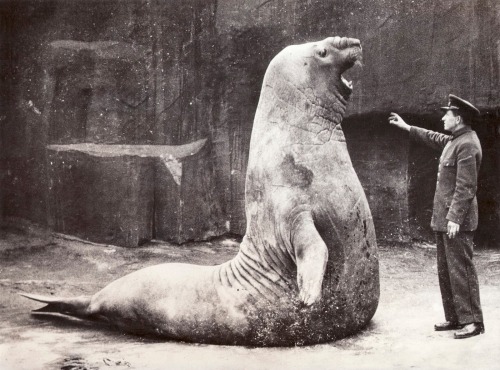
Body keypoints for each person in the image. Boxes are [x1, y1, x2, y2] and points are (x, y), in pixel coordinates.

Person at [388, 94, 485, 339]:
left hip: (456, 221)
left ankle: (473, 321)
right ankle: (455, 317)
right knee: (447, 270)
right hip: (445, 220)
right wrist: (407, 127)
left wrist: (455, 218)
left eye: (447, 114)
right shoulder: (455, 140)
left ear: (459, 118)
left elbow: (466, 186)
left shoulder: (468, 144)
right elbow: (434, 137)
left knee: (461, 270)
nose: (443, 118)